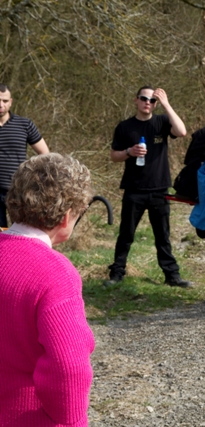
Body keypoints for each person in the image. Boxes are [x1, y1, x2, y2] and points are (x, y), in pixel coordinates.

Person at [0, 153, 95, 426]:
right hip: (28, 415)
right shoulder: (55, 274)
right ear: (67, 218)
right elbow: (68, 365)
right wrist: (72, 420)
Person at [105, 86, 192, 288]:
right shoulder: (125, 127)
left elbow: (181, 131)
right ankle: (116, 274)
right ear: (136, 100)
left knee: (163, 236)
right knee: (126, 235)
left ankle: (172, 276)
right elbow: (113, 156)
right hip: (134, 189)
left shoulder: (161, 122)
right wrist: (129, 151)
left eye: (152, 100)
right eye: (144, 99)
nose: (148, 103)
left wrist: (167, 104)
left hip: (160, 189)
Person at [0, 84, 50, 228]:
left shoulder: (25, 124)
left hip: (17, 190)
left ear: (11, 102)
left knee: (21, 232)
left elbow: (45, 154)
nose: (1, 104)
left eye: (4, 100)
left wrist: (34, 178)